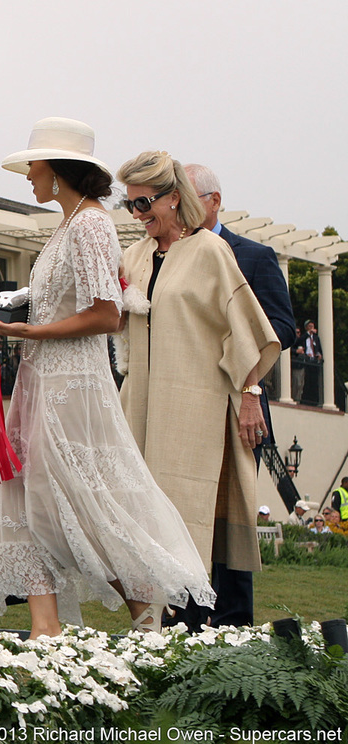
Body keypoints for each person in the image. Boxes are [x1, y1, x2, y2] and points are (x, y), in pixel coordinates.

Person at [0, 119, 212, 637]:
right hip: (41, 380)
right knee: (22, 490)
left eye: (34, 166)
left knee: (86, 499)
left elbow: (108, 314)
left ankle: (148, 621)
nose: (28, 176)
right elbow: (64, 301)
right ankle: (46, 629)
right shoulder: (67, 226)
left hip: (73, 386)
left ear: (59, 171)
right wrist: (13, 310)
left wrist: (29, 330)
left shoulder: (90, 225)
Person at [117, 150, 280, 630]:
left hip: (195, 404)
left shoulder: (211, 251)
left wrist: (251, 395)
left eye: (145, 203)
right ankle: (152, 632)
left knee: (191, 513)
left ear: (174, 198)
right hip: (142, 404)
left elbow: (246, 330)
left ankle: (203, 632)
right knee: (141, 516)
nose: (138, 215)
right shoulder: (135, 256)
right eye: (130, 206)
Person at [184, 163, 295, 624]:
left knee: (231, 518)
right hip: (186, 405)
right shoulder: (170, 255)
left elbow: (282, 327)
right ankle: (185, 623)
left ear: (214, 201)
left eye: (191, 199)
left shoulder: (253, 256)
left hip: (236, 405)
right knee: (187, 514)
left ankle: (233, 625)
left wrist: (241, 363)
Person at [294, 320, 323, 404]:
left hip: (314, 361)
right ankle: (303, 400)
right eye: (309, 326)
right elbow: (298, 342)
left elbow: (318, 348)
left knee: (314, 381)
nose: (311, 328)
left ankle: (314, 400)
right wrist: (308, 333)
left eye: (312, 327)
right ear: (306, 328)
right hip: (305, 361)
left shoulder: (316, 338)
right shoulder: (304, 337)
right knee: (305, 382)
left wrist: (319, 354)